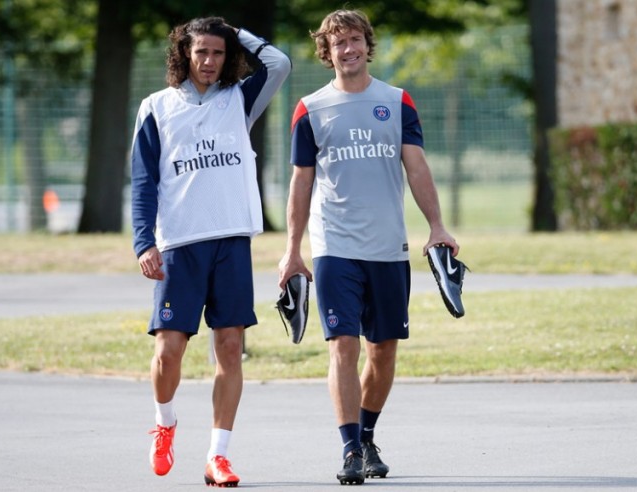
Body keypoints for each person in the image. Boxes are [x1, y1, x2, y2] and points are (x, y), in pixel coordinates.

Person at [278, 8, 459, 486]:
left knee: (384, 351)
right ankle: (349, 448)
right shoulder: (310, 108)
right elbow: (300, 183)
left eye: (355, 39)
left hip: (389, 248)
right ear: (327, 51)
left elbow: (416, 167)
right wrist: (293, 250)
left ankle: (368, 434)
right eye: (339, 43)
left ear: (366, 44)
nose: (348, 49)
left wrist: (437, 225)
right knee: (343, 346)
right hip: (334, 246)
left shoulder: (397, 102)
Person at [131, 16, 290, 486]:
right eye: (200, 51)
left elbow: (279, 63)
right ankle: (164, 423)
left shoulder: (238, 99)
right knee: (169, 352)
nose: (208, 61)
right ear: (184, 54)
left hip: (231, 239)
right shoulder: (156, 107)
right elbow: (143, 182)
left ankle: (218, 456)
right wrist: (144, 241)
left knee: (230, 347)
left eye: (218, 53)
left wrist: (232, 30)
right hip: (180, 244)